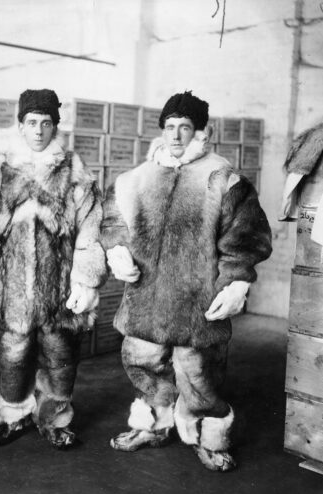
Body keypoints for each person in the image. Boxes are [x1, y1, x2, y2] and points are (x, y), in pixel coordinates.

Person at [101, 90, 272, 471]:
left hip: (198, 302)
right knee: (142, 360)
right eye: (170, 127)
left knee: (197, 372)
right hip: (146, 298)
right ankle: (155, 424)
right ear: (161, 131)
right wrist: (117, 250)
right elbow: (112, 220)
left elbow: (245, 239)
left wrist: (236, 282)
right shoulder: (136, 179)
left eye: (185, 127)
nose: (176, 135)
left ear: (200, 132)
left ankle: (209, 434)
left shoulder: (224, 180)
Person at [0, 88, 106, 449]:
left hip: (60, 295)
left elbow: (91, 231)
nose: (39, 130)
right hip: (10, 296)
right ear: (20, 125)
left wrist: (85, 281)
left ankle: (55, 420)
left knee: (60, 359)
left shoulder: (75, 172)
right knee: (11, 358)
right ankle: (12, 417)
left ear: (56, 126)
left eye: (46, 123)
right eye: (32, 122)